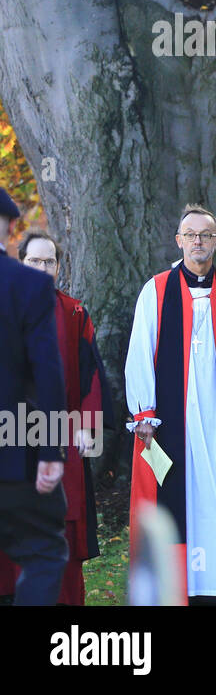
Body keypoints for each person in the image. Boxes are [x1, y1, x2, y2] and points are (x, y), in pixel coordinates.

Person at [125, 204, 216, 605]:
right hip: (171, 415)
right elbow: (139, 350)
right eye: (191, 234)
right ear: (179, 240)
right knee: (175, 495)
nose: (198, 241)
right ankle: (175, 584)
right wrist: (143, 411)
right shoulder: (157, 289)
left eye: (206, 235)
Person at [0, 232, 108, 605]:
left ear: (59, 267)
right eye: (35, 261)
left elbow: (90, 379)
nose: (43, 268)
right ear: (21, 262)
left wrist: (87, 429)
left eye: (50, 262)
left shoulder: (74, 313)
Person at [0, 189, 67, 606]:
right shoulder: (28, 286)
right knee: (43, 552)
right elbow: (47, 373)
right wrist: (51, 450)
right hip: (12, 455)